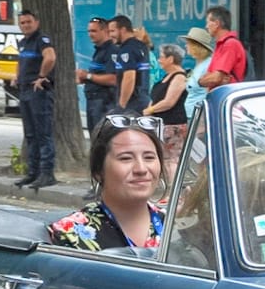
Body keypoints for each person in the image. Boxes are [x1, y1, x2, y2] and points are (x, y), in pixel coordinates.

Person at [48, 115, 165, 250]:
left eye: (149, 157)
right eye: (126, 158)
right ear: (98, 171)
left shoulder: (176, 229)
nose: (141, 169)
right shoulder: (69, 236)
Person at [13, 9, 57, 189]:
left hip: (37, 92)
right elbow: (20, 62)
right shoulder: (23, 42)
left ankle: (47, 173)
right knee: (30, 134)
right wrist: (16, 76)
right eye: (22, 23)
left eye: (28, 22)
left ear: (36, 22)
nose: (25, 25)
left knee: (43, 133)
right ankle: (33, 172)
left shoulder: (42, 39)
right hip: (24, 91)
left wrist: (41, 76)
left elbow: (50, 57)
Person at [143, 44, 191, 154]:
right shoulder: (166, 76)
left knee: (172, 160)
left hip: (173, 126)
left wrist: (150, 110)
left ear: (170, 59)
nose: (159, 60)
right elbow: (156, 98)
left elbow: (169, 102)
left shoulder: (179, 77)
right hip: (161, 126)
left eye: (161, 57)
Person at [76, 16, 119, 137]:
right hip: (93, 101)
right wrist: (84, 78)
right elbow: (98, 76)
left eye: (94, 31)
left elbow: (113, 79)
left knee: (101, 137)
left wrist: (88, 76)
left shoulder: (111, 51)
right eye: (89, 31)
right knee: (94, 136)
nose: (90, 34)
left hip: (104, 102)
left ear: (105, 31)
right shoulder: (99, 51)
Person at [199, 6, 248, 88]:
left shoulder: (230, 44)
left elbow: (215, 78)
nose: (206, 26)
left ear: (217, 24)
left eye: (208, 22)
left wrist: (203, 80)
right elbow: (214, 78)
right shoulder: (221, 45)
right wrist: (202, 81)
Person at [111, 15, 151, 112]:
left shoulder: (127, 49)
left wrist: (121, 106)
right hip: (143, 100)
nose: (110, 35)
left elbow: (129, 77)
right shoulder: (141, 46)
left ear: (123, 30)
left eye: (112, 31)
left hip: (132, 105)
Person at [181, 27, 215, 123]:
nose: (185, 46)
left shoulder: (208, 64)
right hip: (192, 114)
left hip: (200, 115)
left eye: (188, 43)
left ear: (196, 46)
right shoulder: (198, 64)